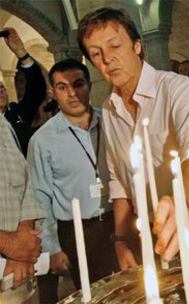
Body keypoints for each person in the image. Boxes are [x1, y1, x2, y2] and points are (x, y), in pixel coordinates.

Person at [77, 7, 189, 269]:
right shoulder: (109, 108)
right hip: (148, 226)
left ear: (137, 45)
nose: (107, 59)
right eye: (96, 54)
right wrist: (120, 239)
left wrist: (182, 201)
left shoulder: (176, 88)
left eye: (115, 45)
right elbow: (119, 178)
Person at [27, 59, 118, 301]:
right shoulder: (43, 140)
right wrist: (53, 248)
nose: (72, 93)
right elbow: (40, 198)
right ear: (53, 92)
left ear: (89, 85)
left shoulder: (111, 123)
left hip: (116, 221)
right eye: (62, 87)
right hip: (77, 232)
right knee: (94, 296)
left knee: (130, 289)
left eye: (78, 84)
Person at [0, 114, 44, 289]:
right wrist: (7, 243)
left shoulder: (2, 124)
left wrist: (23, 236)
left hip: (15, 270)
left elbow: (25, 183)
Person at [0, 28, 47, 156]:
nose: (1, 92)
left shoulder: (16, 113)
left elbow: (37, 90)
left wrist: (21, 53)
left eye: (2, 87)